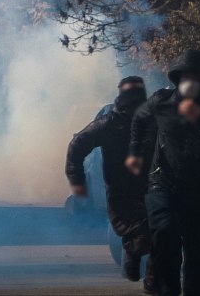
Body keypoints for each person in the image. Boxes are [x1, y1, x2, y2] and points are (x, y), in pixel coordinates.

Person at [126, 50, 200, 296]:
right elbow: (139, 119)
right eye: (185, 75)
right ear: (177, 77)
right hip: (164, 185)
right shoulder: (161, 101)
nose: (190, 81)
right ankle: (165, 288)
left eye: (195, 76)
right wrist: (135, 152)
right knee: (164, 235)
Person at [66, 76, 155, 293]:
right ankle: (134, 262)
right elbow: (78, 146)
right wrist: (77, 179)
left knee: (153, 232)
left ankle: (149, 277)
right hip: (122, 189)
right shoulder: (110, 123)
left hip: (148, 187)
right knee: (138, 231)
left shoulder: (151, 122)